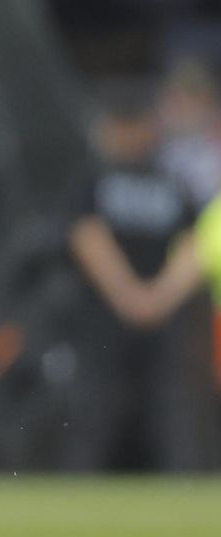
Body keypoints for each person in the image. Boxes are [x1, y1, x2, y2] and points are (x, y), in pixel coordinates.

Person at [65, 90, 218, 470]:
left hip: (157, 315)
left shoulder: (169, 181)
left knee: (171, 409)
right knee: (97, 407)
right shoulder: (96, 178)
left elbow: (191, 243)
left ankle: (178, 484)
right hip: (108, 313)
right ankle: (81, 485)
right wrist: (131, 295)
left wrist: (153, 298)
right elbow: (87, 236)